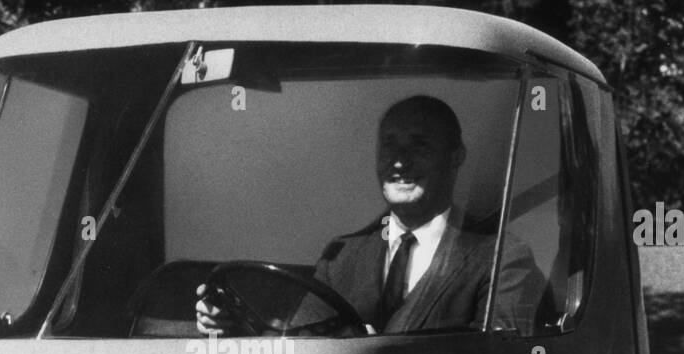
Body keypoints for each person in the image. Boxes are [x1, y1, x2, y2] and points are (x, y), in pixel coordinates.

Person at [195, 94, 546, 335]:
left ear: (455, 157)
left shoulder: (501, 258)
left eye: (418, 145)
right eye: (390, 145)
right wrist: (236, 328)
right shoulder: (342, 257)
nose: (398, 161)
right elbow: (302, 348)